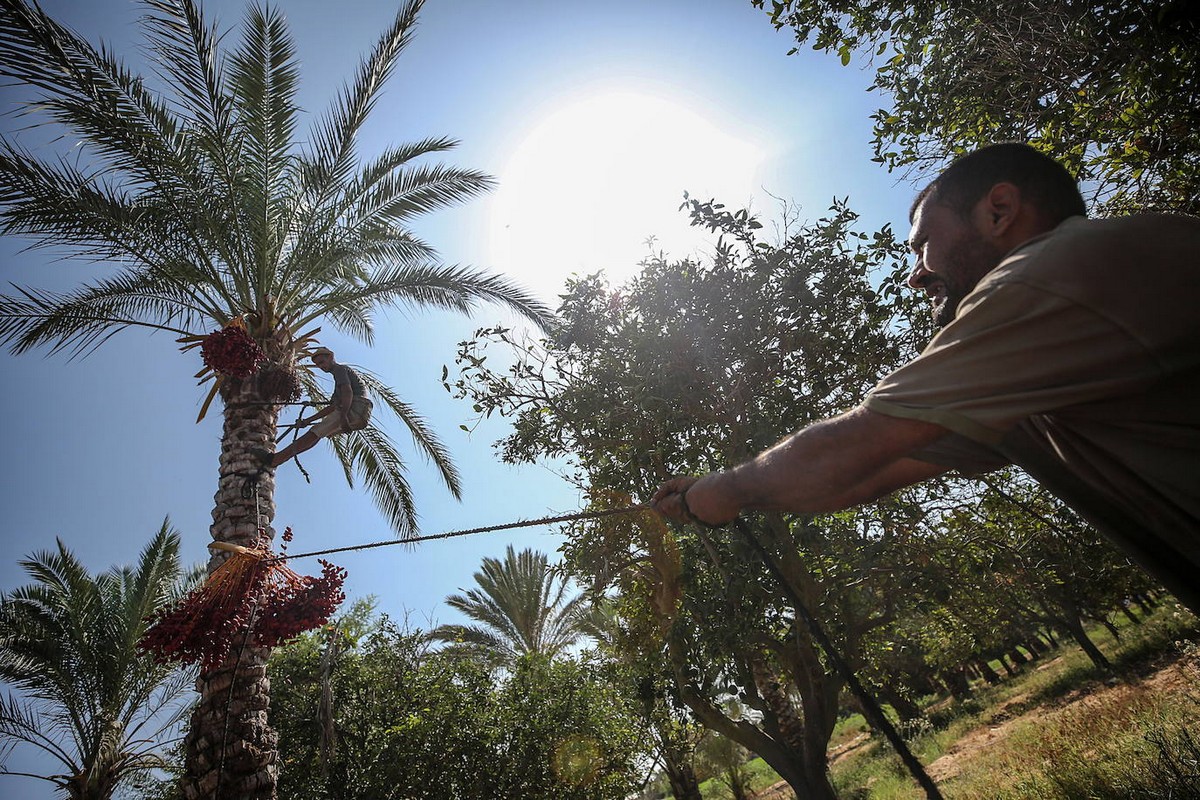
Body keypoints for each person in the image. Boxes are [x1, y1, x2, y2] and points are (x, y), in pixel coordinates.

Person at [652, 143, 1200, 613]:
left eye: (922, 243)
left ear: (999, 210)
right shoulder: (1033, 370)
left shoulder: (1054, 271)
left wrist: (723, 492)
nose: (915, 274)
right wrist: (720, 496)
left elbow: (867, 437)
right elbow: (866, 471)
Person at [255, 347, 372, 468]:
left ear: (331, 357)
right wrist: (307, 421)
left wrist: (343, 416)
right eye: (317, 365)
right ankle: (278, 459)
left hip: (355, 407)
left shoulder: (340, 369)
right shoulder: (340, 378)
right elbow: (333, 407)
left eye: (322, 362)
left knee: (314, 434)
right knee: (318, 433)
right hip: (360, 414)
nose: (321, 366)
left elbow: (348, 392)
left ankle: (275, 459)